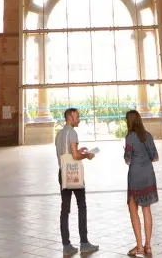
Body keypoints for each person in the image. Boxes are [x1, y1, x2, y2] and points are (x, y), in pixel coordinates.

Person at [56, 108, 100, 255]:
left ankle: (66, 245)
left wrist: (79, 150)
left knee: (65, 210)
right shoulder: (73, 132)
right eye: (77, 117)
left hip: (62, 173)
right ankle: (84, 243)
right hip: (73, 174)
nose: (79, 119)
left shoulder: (59, 133)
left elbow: (67, 153)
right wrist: (87, 155)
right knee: (82, 206)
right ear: (70, 117)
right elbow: (74, 156)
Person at [122, 110, 158, 257]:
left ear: (128, 121)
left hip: (135, 175)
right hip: (148, 174)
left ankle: (139, 246)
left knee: (133, 209)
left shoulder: (130, 137)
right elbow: (155, 157)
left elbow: (128, 160)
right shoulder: (147, 135)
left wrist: (125, 152)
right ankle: (148, 246)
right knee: (146, 210)